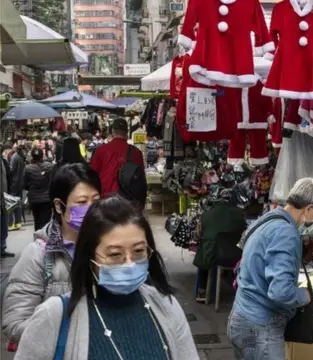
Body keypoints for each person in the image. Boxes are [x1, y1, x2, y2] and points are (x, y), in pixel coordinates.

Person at [13, 196, 199, 360]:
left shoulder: (167, 306)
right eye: (115, 254)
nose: (129, 263)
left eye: (138, 251)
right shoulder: (53, 316)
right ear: (90, 257)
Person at [228, 177, 313, 359]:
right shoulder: (286, 233)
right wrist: (305, 295)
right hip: (260, 329)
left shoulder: (270, 218)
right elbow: (280, 292)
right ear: (309, 209)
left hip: (243, 318)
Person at [2, 163, 101, 343]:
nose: (91, 208)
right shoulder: (38, 255)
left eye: (96, 200)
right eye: (81, 202)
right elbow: (15, 324)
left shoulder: (112, 246)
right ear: (58, 205)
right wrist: (74, 330)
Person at [90, 118, 146, 207]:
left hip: (105, 199)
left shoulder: (100, 151)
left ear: (112, 132)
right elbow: (140, 178)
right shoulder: (136, 152)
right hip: (128, 201)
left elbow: (92, 176)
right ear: (127, 133)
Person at [23, 148, 55, 230]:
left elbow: (24, 184)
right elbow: (53, 181)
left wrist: (30, 188)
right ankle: (45, 239)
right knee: (46, 221)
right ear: (42, 155)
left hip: (34, 198)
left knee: (37, 221)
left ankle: (37, 239)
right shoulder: (50, 167)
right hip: (47, 198)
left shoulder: (27, 168)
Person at [8, 143, 26, 231]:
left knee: (10, 203)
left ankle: (10, 224)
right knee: (18, 202)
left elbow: (11, 170)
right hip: (20, 183)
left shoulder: (14, 157)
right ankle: (18, 222)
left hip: (14, 184)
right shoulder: (20, 157)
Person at [0, 143, 14, 257]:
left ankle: (2, 248)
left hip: (3, 198)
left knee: (4, 223)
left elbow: (9, 176)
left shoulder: (3, 161)